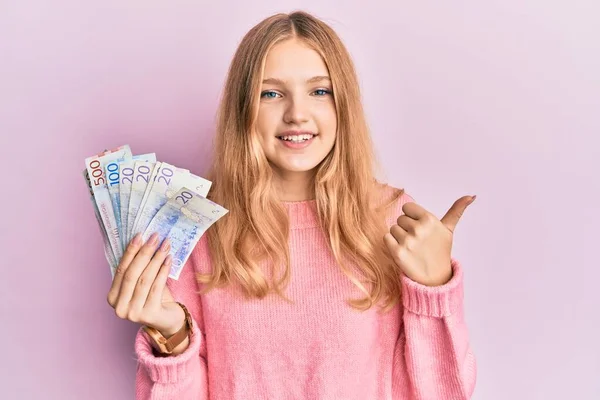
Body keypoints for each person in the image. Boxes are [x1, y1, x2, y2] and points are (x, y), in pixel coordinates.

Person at [106, 10, 478, 400]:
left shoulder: (392, 218)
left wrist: (434, 289)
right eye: (271, 93)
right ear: (243, 109)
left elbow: (443, 394)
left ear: (343, 105)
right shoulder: (194, 225)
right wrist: (172, 336)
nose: (297, 114)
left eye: (319, 91)